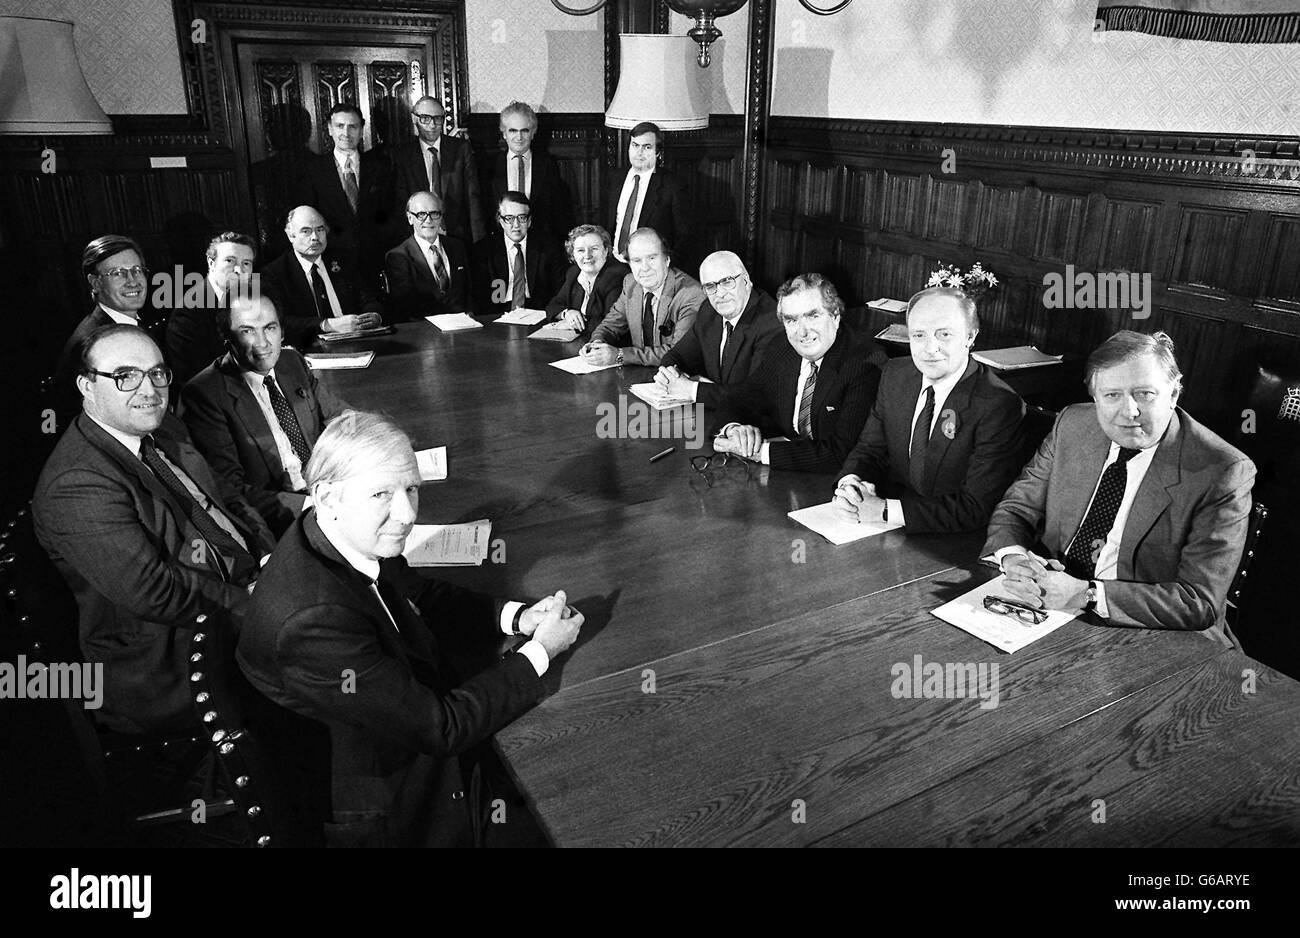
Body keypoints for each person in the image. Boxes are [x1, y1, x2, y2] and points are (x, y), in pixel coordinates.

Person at [237, 411, 584, 847]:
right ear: (326, 496)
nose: (405, 514)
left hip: (397, 716)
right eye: (382, 493)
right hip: (395, 803)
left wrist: (518, 617)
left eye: (412, 489)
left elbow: (419, 593)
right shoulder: (312, 619)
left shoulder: (333, 533)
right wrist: (542, 652)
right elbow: (442, 727)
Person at [33, 325, 272, 735]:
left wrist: (269, 559)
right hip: (168, 658)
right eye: (126, 376)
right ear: (86, 386)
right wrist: (258, 608)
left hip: (231, 593)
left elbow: (226, 502)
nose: (150, 389)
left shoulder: (162, 429)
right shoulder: (76, 484)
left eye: (157, 373)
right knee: (337, 665)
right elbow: (156, 592)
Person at [984, 330, 1256, 644]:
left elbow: (1198, 602)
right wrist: (1014, 559)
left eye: (1145, 394)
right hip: (1049, 608)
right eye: (1112, 395)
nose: (1129, 411)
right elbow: (1016, 509)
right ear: (1095, 398)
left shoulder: (1222, 471)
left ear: (1173, 395)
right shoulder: (1072, 424)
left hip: (1158, 634)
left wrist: (1086, 594)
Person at [832, 286, 1024, 533]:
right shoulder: (895, 374)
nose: (929, 348)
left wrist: (885, 511)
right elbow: (870, 450)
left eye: (944, 334)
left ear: (970, 337)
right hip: (888, 528)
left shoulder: (998, 404)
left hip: (954, 540)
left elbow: (976, 507)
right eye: (919, 335)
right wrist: (851, 485)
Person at [179, 293, 348, 537]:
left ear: (282, 332)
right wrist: (313, 506)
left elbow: (339, 415)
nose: (262, 343)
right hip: (283, 520)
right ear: (227, 338)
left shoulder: (291, 362)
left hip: (328, 488)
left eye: (270, 328)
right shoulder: (203, 395)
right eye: (247, 331)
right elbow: (230, 491)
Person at [711, 273, 884, 473]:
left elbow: (840, 453)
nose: (803, 332)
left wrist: (759, 452)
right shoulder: (781, 347)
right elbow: (738, 398)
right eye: (792, 320)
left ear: (835, 315)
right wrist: (733, 429)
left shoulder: (864, 363)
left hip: (836, 484)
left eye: (813, 316)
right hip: (787, 472)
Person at [53, 235, 163, 423]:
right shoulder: (93, 341)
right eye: (118, 273)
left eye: (137, 270)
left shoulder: (136, 326)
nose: (132, 281)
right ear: (95, 283)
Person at [655, 251, 781, 408]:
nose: (720, 294)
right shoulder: (709, 311)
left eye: (727, 282)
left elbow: (753, 395)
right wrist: (668, 373)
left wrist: (691, 389)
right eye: (710, 286)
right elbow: (678, 355)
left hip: (753, 424)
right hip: (719, 414)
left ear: (746, 280)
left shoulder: (770, 323)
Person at [293, 103, 396, 284]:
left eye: (352, 126)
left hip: (374, 259)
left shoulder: (380, 166)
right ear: (330, 129)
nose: (346, 133)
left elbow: (389, 213)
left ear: (361, 129)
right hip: (331, 260)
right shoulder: (313, 170)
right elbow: (307, 217)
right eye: (340, 126)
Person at [259, 205, 384, 348]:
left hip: (360, 342)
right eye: (306, 231)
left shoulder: (344, 260)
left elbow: (368, 298)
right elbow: (280, 322)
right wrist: (327, 325)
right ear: (291, 236)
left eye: (320, 229)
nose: (315, 238)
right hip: (309, 349)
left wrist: (374, 316)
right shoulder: (274, 273)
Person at [581, 228, 703, 368]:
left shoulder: (691, 294)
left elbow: (678, 353)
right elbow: (610, 326)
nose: (644, 268)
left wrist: (620, 355)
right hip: (640, 376)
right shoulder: (631, 283)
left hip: (680, 376)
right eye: (637, 260)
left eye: (651, 258)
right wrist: (596, 344)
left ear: (667, 259)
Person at [165, 231, 257, 389]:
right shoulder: (189, 313)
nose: (238, 270)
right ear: (211, 263)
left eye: (246, 263)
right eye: (230, 261)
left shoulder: (249, 298)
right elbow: (197, 380)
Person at [392, 96, 484, 244]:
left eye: (438, 119)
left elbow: (473, 198)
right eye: (425, 118)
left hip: (457, 234)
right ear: (414, 119)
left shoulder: (461, 148)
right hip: (418, 237)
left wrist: (479, 240)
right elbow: (401, 203)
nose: (432, 125)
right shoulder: (402, 155)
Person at [483, 101, 572, 245]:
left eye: (524, 130)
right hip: (501, 244)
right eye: (512, 130)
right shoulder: (489, 166)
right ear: (504, 133)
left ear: (533, 132)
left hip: (542, 244)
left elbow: (560, 211)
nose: (519, 137)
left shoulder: (549, 165)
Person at [608, 122, 692, 270]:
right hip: (613, 263)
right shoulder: (615, 178)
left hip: (649, 270)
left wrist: (665, 270)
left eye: (647, 147)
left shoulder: (673, 186)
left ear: (657, 152)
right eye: (635, 145)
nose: (639, 153)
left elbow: (685, 237)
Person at [471, 191, 565, 314]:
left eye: (522, 218)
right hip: (497, 312)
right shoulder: (483, 250)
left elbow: (558, 289)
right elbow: (479, 295)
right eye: (509, 218)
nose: (516, 225)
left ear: (529, 221)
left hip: (538, 311)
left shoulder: (548, 248)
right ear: (500, 221)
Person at [384, 191, 471, 320]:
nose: (428, 220)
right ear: (410, 218)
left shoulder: (457, 246)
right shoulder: (398, 256)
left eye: (434, 213)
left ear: (441, 217)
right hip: (423, 330)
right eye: (421, 215)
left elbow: (469, 291)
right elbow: (405, 307)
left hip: (464, 326)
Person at [543, 224, 629, 340]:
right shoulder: (574, 273)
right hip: (580, 342)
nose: (587, 255)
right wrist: (567, 313)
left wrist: (571, 325)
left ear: (606, 250)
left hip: (608, 345)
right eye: (581, 250)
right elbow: (553, 306)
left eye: (594, 249)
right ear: (573, 254)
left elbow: (610, 323)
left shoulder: (616, 276)